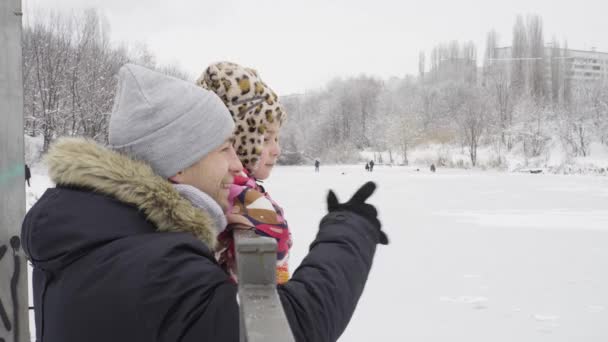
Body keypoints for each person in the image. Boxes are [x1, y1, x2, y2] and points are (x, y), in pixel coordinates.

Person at [22, 64, 388, 342]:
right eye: (223, 148)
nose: (235, 163)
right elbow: (289, 328)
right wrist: (350, 229)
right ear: (179, 163)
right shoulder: (157, 271)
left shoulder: (95, 232)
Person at [197, 62, 291, 284]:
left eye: (276, 138)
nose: (277, 150)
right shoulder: (235, 195)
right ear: (236, 140)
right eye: (266, 139)